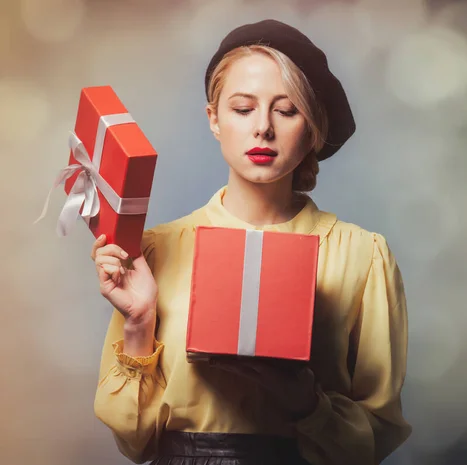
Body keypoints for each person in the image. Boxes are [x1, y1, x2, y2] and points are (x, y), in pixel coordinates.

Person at [91, 19, 411, 465]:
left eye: (287, 110)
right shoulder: (154, 251)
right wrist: (139, 321)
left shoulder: (362, 255)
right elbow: (134, 441)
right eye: (243, 109)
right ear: (214, 119)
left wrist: (307, 404)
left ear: (314, 128)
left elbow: (374, 438)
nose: (263, 128)